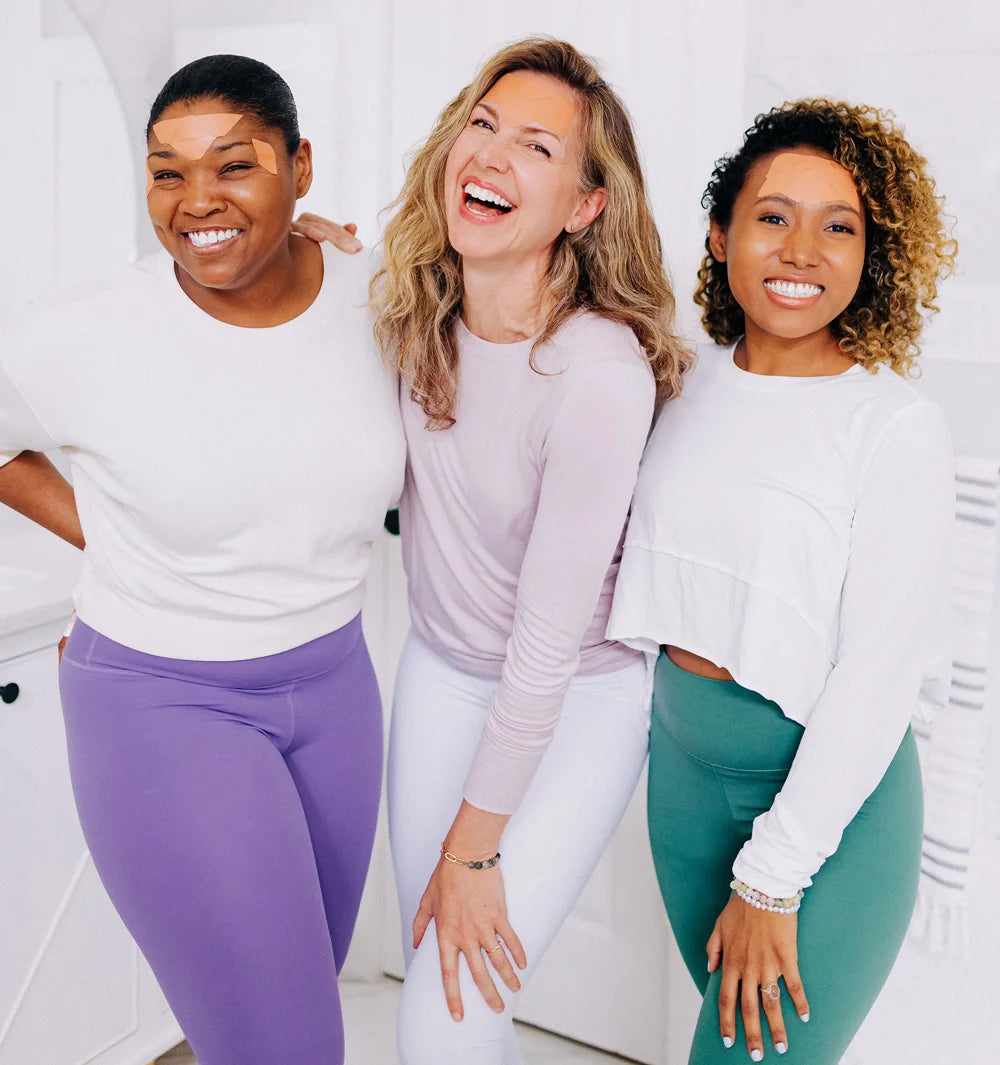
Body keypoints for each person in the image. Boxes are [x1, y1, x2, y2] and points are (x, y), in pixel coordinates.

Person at [0, 54, 404, 1065]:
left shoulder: (381, 297)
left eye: (235, 165)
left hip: (335, 691)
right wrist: (110, 528)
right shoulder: (92, 331)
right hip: (161, 706)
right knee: (290, 1050)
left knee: (295, 1007)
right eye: (166, 172)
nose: (196, 202)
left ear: (300, 167)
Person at [608, 99, 957, 1064]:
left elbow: (878, 676)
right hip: (681, 783)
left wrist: (773, 879)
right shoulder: (679, 385)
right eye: (773, 217)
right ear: (720, 236)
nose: (801, 249)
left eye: (837, 226)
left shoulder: (891, 427)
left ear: (869, 255)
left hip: (826, 820)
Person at [366, 37, 690, 1064]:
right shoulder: (411, 310)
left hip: (575, 700)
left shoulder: (595, 375)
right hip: (440, 670)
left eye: (537, 146)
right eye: (483, 125)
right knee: (452, 986)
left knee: (445, 1007)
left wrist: (474, 849)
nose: (492, 156)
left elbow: (546, 648)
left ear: (585, 206)